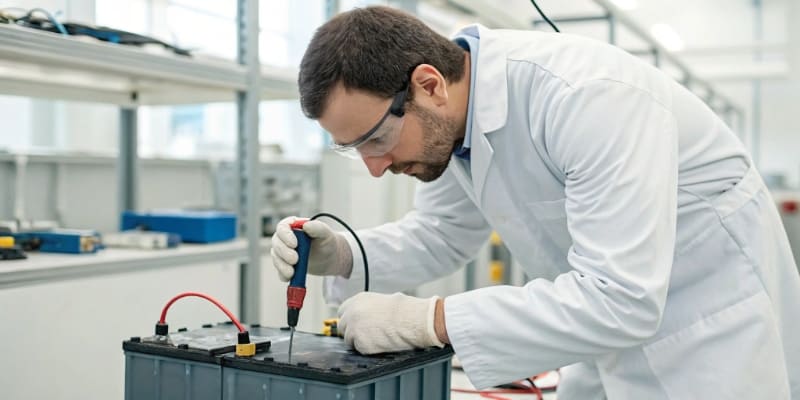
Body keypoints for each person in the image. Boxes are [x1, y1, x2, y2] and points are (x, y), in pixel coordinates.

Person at [270, 6, 800, 399]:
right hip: (602, 342)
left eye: (377, 139)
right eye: (354, 149)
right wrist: (344, 254)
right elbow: (442, 232)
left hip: (707, 337)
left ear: (429, 85)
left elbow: (622, 298)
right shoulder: (453, 126)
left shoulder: (587, 97)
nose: (375, 166)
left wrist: (429, 320)